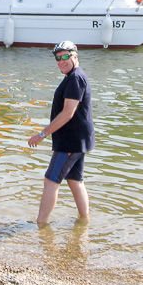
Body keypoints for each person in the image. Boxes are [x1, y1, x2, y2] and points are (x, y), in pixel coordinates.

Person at [27, 40, 95, 226]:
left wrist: (42, 135)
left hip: (70, 142)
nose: (61, 61)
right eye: (58, 58)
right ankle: (84, 223)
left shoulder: (75, 78)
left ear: (75, 56)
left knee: (51, 180)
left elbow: (67, 113)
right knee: (74, 180)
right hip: (78, 140)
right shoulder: (74, 76)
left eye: (65, 56)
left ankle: (40, 225)